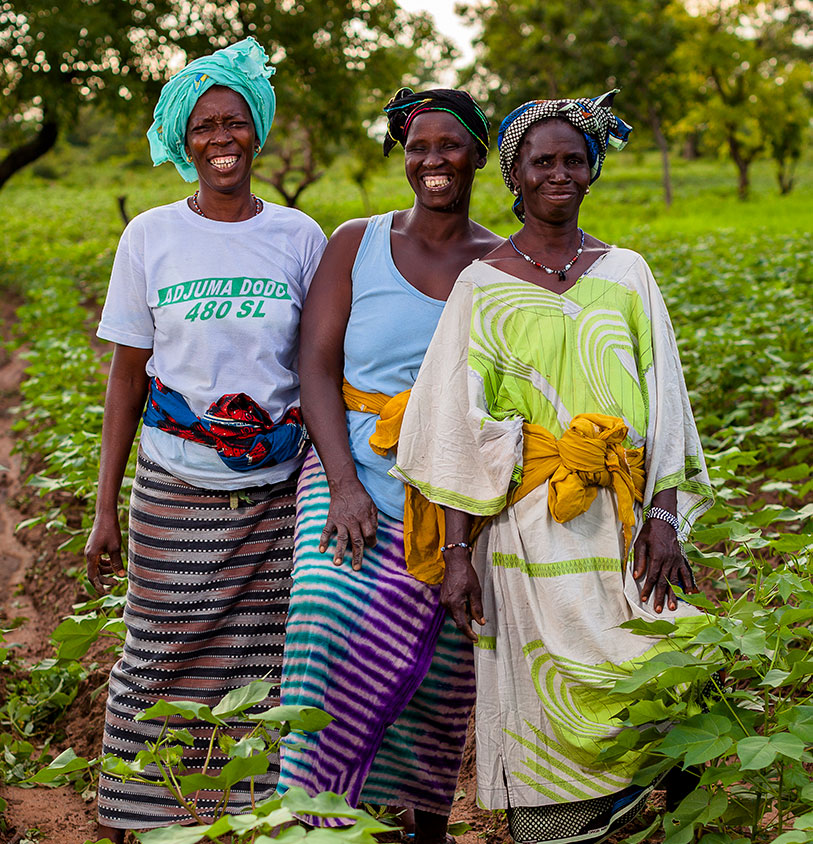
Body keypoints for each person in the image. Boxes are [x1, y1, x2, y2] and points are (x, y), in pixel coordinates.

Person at [392, 91, 714, 844]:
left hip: (625, 521)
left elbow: (666, 404)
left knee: (673, 660)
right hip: (524, 531)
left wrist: (665, 520)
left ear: (592, 170)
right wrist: (456, 554)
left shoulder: (627, 273)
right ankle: (559, 824)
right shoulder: (481, 285)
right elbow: (452, 432)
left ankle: (656, 796)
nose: (559, 174)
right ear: (515, 175)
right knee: (544, 690)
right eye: (543, 162)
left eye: (574, 159)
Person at [84, 37, 326, 841]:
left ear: (256, 131)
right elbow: (127, 378)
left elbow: (320, 368)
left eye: (234, 122)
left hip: (274, 494)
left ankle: (245, 815)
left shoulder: (298, 236)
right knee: (156, 653)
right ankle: (131, 814)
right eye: (203, 126)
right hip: (172, 484)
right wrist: (103, 507)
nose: (220, 139)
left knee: (262, 663)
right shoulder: (150, 237)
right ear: (181, 140)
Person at [277, 88, 502, 842]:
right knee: (324, 616)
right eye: (416, 147)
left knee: (445, 666)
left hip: (451, 486)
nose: (432, 160)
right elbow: (313, 367)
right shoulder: (357, 240)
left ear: (477, 152)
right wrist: (341, 486)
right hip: (351, 467)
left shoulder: (501, 264)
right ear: (402, 156)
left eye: (449, 145)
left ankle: (424, 826)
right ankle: (315, 815)